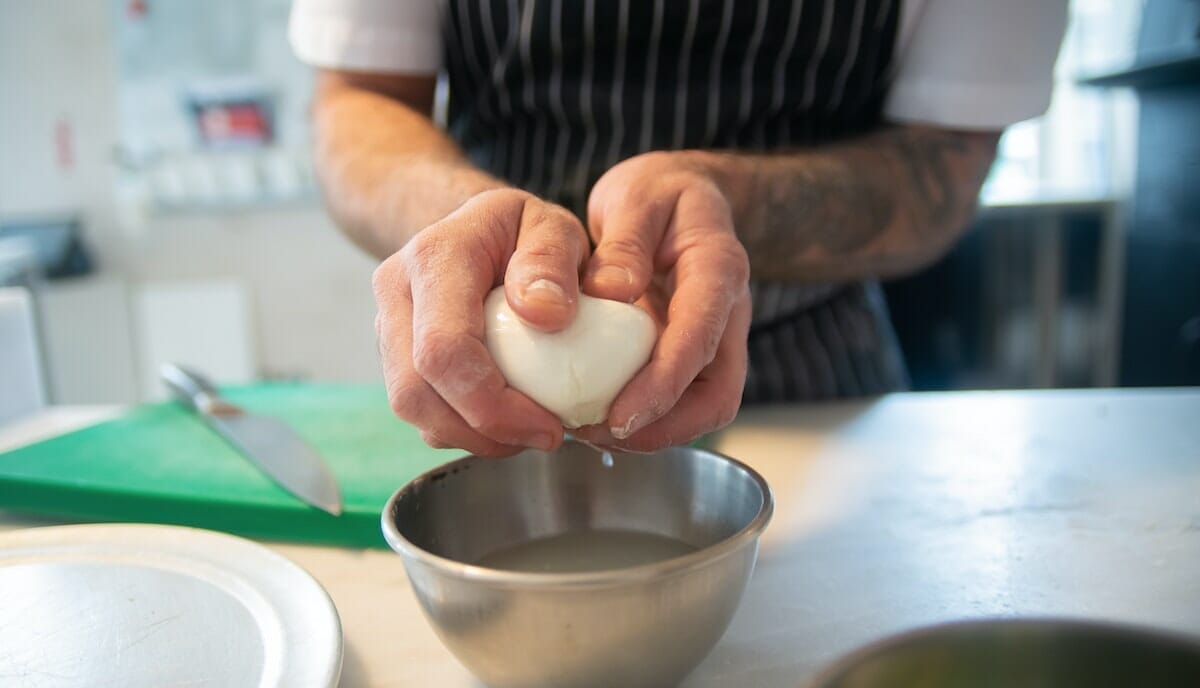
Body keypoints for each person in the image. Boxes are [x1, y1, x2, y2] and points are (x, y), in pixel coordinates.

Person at [289, 0, 1068, 456]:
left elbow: (949, 161)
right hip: (496, 382)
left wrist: (733, 200)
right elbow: (360, 101)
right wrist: (465, 223)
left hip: (815, 383)